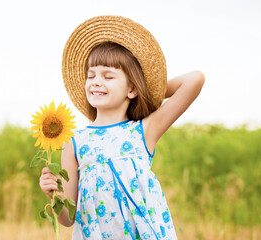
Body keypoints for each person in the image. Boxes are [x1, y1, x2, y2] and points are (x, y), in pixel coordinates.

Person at [40, 16, 205, 239]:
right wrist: (54, 194)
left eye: (108, 76)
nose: (96, 81)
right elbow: (68, 219)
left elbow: (195, 80)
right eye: (91, 75)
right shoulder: (75, 143)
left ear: (131, 89)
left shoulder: (144, 130)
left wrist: (146, 88)